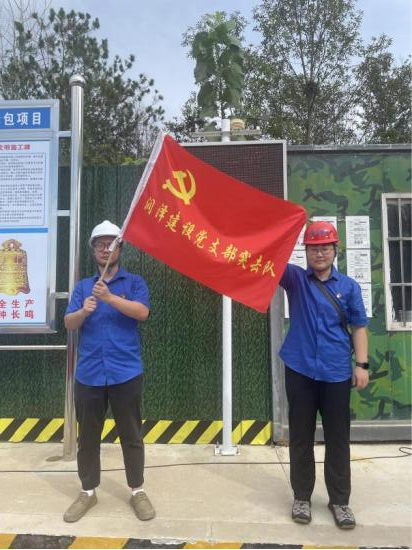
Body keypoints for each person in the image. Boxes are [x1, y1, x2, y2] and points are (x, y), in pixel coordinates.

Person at [63, 220, 155, 523]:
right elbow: (69, 323)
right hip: (89, 374)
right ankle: (88, 491)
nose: (105, 249)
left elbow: (142, 313)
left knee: (131, 435)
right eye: (100, 244)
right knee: (88, 438)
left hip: (125, 372)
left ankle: (137, 490)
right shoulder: (82, 287)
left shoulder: (134, 283)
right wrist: (83, 311)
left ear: (120, 248)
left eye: (111, 244)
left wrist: (110, 298)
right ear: (93, 250)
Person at [279, 220, 369, 530]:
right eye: (314, 248)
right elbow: (270, 259)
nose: (320, 253)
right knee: (300, 437)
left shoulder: (349, 287)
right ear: (306, 251)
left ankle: (340, 501)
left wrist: (362, 365)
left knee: (338, 438)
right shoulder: (294, 279)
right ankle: (302, 497)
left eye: (326, 247)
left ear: (335, 250)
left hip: (336, 372)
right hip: (300, 369)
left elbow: (359, 327)